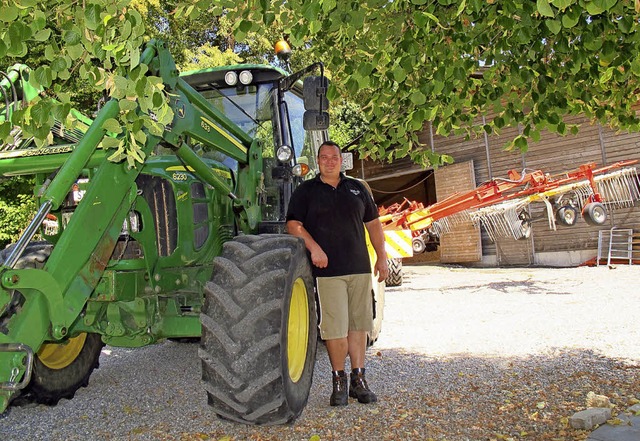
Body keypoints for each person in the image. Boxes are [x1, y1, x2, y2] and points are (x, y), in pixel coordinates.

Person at [286, 140, 388, 406]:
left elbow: (374, 226)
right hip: (328, 272)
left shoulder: (357, 189)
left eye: (334, 157)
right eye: (324, 157)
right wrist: (314, 248)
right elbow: (293, 225)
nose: (329, 161)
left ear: (341, 161)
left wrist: (382, 258)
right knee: (335, 330)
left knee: (358, 326)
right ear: (317, 161)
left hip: (359, 269)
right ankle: (338, 380)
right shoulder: (306, 191)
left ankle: (359, 380)